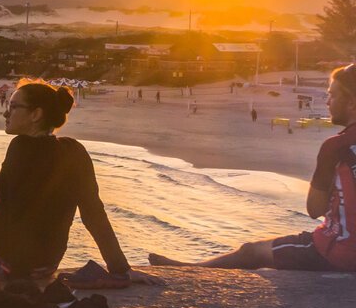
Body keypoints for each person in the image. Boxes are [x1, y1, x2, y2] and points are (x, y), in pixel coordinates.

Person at [0, 79, 162, 288]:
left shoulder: (20, 147)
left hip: (5, 263)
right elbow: (93, 213)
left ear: (36, 114)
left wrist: (12, 276)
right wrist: (121, 268)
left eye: (14, 107)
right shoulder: (75, 151)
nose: (6, 113)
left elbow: (11, 213)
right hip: (47, 264)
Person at [150, 64, 356, 272]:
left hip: (339, 252)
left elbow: (314, 210)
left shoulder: (336, 146)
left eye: (333, 96)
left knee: (251, 252)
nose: (328, 102)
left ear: (352, 103)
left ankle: (191, 271)